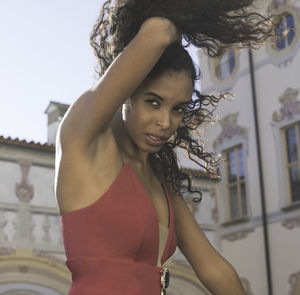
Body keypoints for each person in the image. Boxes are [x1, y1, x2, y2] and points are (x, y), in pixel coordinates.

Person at [55, 1, 274, 294]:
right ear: (126, 91)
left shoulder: (157, 175)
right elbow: (159, 32)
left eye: (178, 109)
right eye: (153, 102)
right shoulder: (83, 137)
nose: (165, 122)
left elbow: (215, 270)